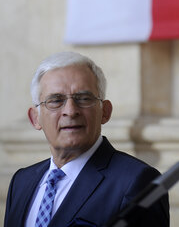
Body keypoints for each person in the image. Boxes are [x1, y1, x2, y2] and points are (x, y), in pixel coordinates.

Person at [4, 52, 169, 227]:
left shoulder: (137, 182)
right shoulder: (21, 182)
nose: (70, 111)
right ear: (35, 118)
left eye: (83, 98)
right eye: (56, 100)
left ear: (105, 112)